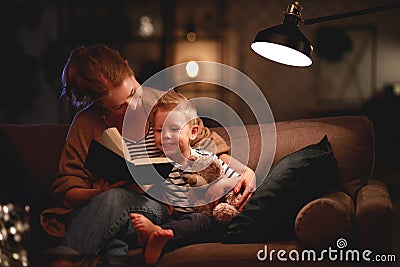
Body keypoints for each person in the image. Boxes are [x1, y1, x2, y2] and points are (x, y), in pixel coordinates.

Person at [39, 44, 255, 264]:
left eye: (133, 92)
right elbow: (68, 190)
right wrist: (101, 192)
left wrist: (245, 171)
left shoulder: (163, 103)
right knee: (114, 237)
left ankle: (66, 257)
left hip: (156, 208)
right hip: (104, 212)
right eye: (117, 106)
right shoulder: (86, 123)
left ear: (127, 67)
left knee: (117, 202)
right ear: (99, 104)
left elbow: (204, 143)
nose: (131, 105)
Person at [130, 90, 247, 265]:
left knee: (197, 221)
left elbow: (237, 181)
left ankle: (157, 235)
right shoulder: (158, 166)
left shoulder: (205, 159)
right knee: (174, 220)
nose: (166, 135)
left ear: (193, 132)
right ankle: (155, 238)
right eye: (159, 130)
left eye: (174, 129)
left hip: (211, 220)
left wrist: (221, 183)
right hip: (179, 218)